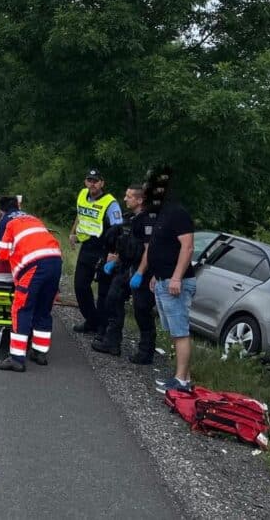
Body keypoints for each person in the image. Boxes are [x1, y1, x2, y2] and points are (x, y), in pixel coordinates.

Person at [135, 166, 196, 392]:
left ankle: (181, 381)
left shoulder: (177, 213)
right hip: (162, 279)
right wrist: (155, 275)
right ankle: (183, 377)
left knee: (180, 331)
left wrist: (176, 278)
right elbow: (160, 247)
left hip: (175, 282)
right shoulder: (161, 213)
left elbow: (187, 247)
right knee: (173, 331)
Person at [0, 207, 64, 372]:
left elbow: (1, 255)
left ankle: (16, 359)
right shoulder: (34, 219)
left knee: (21, 309)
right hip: (55, 261)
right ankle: (39, 353)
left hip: (34, 265)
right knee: (43, 308)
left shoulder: (8, 222)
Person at [91, 184, 148, 357]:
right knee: (113, 301)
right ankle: (112, 342)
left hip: (140, 269)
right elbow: (124, 243)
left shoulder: (147, 221)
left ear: (140, 200)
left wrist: (140, 272)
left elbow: (148, 249)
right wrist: (115, 259)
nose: (125, 199)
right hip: (124, 266)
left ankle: (145, 352)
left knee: (142, 311)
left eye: (129, 196)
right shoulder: (129, 219)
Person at [68, 168, 122, 336]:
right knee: (80, 286)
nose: (92, 184)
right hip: (87, 246)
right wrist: (73, 233)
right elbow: (80, 214)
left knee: (103, 292)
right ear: (86, 181)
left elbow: (119, 229)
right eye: (89, 180)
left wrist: (115, 252)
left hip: (104, 249)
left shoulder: (110, 203)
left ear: (102, 183)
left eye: (96, 181)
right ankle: (92, 321)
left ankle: (102, 328)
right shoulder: (83, 194)